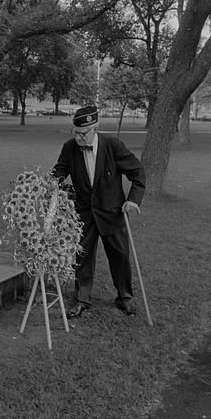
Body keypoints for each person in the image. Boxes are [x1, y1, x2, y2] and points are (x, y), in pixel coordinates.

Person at [51, 105, 146, 317]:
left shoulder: (113, 145)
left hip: (112, 212)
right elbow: (58, 172)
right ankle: (81, 299)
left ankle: (125, 297)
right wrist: (46, 186)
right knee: (82, 256)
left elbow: (138, 172)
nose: (78, 138)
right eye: (75, 133)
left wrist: (133, 200)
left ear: (95, 129)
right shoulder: (69, 148)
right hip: (84, 213)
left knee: (119, 256)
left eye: (83, 134)